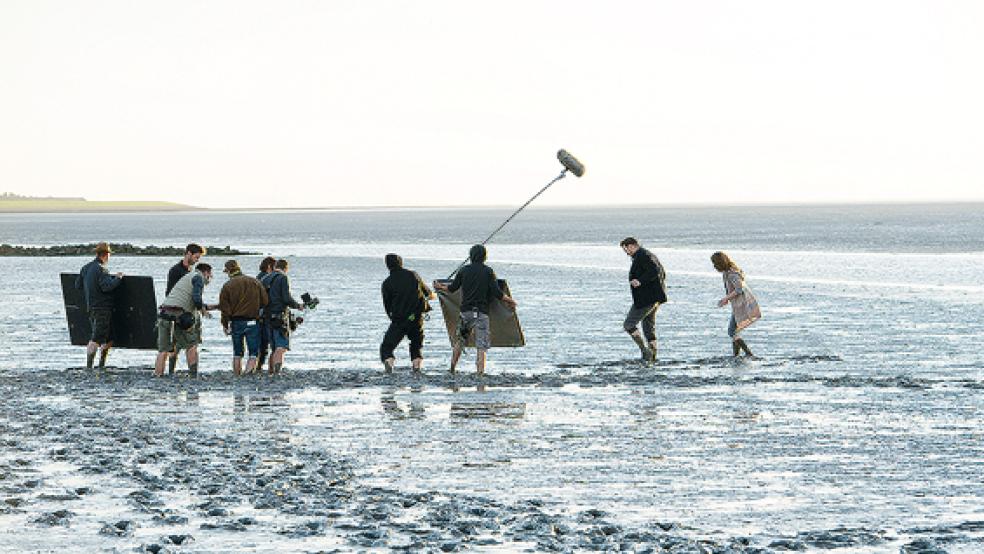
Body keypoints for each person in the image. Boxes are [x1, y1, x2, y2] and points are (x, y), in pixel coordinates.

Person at [433, 245, 516, 375]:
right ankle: (480, 372)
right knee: (481, 345)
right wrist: (511, 301)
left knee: (460, 341)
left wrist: (440, 286)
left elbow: (452, 288)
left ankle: (452, 369)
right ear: (485, 256)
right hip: (481, 313)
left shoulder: (463, 270)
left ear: (470, 256)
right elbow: (497, 293)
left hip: (465, 312)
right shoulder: (488, 271)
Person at [154, 263, 215, 377]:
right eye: (210, 274)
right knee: (191, 345)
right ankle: (193, 376)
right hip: (179, 315)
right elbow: (196, 299)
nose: (210, 277)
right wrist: (203, 311)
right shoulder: (198, 278)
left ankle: (158, 376)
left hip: (164, 313)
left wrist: (214, 306)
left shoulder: (187, 277)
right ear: (206, 272)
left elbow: (187, 299)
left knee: (163, 350)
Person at [380, 253, 435, 372]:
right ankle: (416, 367)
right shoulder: (413, 275)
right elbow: (428, 294)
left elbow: (387, 307)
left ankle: (389, 362)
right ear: (401, 263)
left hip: (399, 320)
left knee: (387, 347)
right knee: (416, 343)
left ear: (388, 266)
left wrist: (394, 320)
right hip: (416, 317)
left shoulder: (387, 283)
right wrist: (433, 295)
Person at [74, 242, 123, 369]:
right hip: (103, 308)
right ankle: (89, 366)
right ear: (106, 255)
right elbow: (107, 286)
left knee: (109, 337)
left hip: (91, 307)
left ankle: (101, 364)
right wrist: (118, 278)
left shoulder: (85, 268)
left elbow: (77, 285)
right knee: (96, 339)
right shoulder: (102, 269)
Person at [620, 237, 667, 363]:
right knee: (648, 327)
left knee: (629, 324)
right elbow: (662, 273)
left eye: (626, 249)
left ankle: (645, 351)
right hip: (654, 298)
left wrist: (640, 281)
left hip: (646, 299)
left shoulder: (643, 256)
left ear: (632, 246)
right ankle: (653, 356)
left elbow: (655, 271)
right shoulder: (646, 255)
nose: (626, 252)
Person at [218, 260, 269, 376]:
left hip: (236, 322)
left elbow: (224, 309)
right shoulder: (255, 282)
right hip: (252, 322)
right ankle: (248, 374)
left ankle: (237, 376)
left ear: (228, 272)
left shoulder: (227, 286)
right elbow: (265, 301)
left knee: (237, 353)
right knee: (253, 353)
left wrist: (225, 325)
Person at [164, 243, 206, 375]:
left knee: (184, 342)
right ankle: (172, 370)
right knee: (177, 343)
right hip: (177, 311)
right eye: (196, 257)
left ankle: (181, 370)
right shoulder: (176, 271)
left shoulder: (192, 272)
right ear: (188, 254)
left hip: (189, 311)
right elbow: (171, 292)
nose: (197, 260)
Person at [712, 251, 761, 357]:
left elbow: (739, 289)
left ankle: (749, 354)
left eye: (715, 264)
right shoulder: (726, 273)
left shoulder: (732, 273)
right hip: (737, 305)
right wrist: (727, 300)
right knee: (735, 331)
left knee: (732, 331)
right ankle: (736, 355)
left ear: (720, 263)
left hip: (742, 305)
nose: (714, 266)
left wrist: (726, 298)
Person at [265, 259, 304, 375]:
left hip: (267, 317)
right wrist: (298, 306)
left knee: (273, 347)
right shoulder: (283, 278)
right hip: (279, 317)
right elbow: (286, 298)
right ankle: (277, 373)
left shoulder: (265, 278)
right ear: (286, 268)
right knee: (281, 347)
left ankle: (270, 372)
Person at [255, 256, 277, 372]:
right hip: (265, 313)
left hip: (258, 314)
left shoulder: (258, 278)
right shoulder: (267, 279)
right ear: (270, 266)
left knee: (261, 344)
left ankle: (258, 366)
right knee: (268, 341)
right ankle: (268, 367)